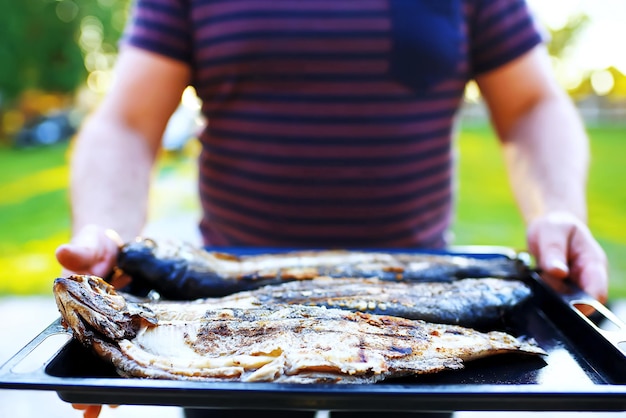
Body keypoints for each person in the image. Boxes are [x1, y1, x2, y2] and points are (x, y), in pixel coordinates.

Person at [55, 0, 608, 417]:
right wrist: (108, 236)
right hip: (220, 317)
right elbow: (128, 121)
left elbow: (531, 103)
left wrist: (558, 211)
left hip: (418, 314)